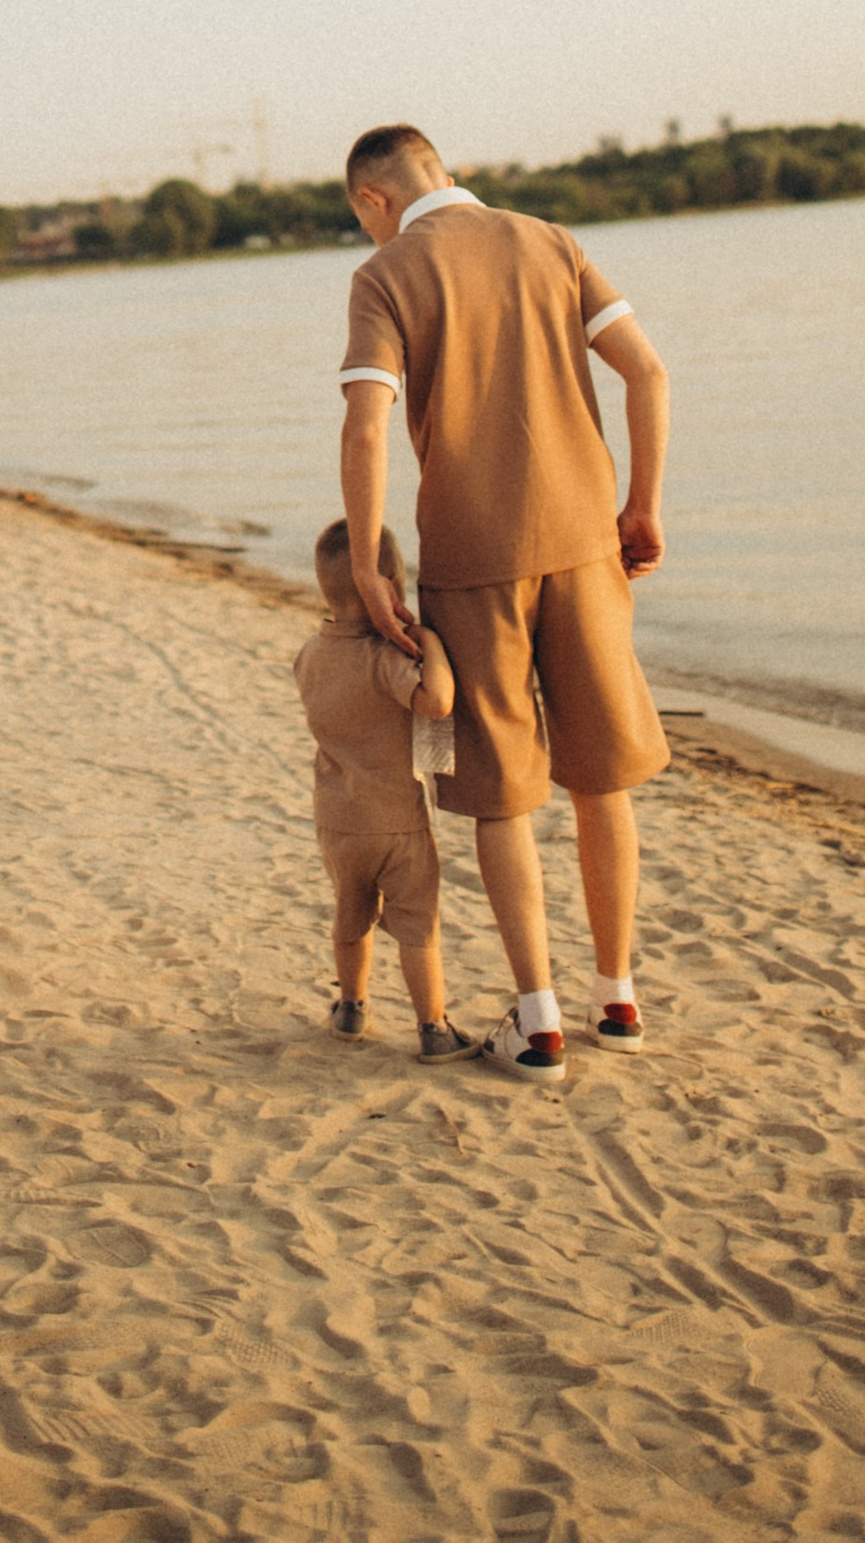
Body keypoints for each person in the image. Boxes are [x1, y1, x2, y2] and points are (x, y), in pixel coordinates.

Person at [337, 123, 670, 1080]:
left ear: (374, 199)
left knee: (499, 793)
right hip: (586, 542)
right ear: (448, 174)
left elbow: (367, 426)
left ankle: (539, 1020)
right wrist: (640, 503)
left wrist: (369, 563)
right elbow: (646, 370)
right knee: (600, 778)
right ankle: (620, 997)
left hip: (472, 557)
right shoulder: (550, 241)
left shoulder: (388, 274)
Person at [292, 518, 478, 1058]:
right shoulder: (386, 659)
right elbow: (436, 701)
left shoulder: (310, 656)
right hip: (397, 820)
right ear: (391, 590)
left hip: (337, 819)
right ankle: (434, 1027)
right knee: (418, 923)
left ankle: (351, 1006)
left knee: (350, 914)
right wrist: (433, 642)